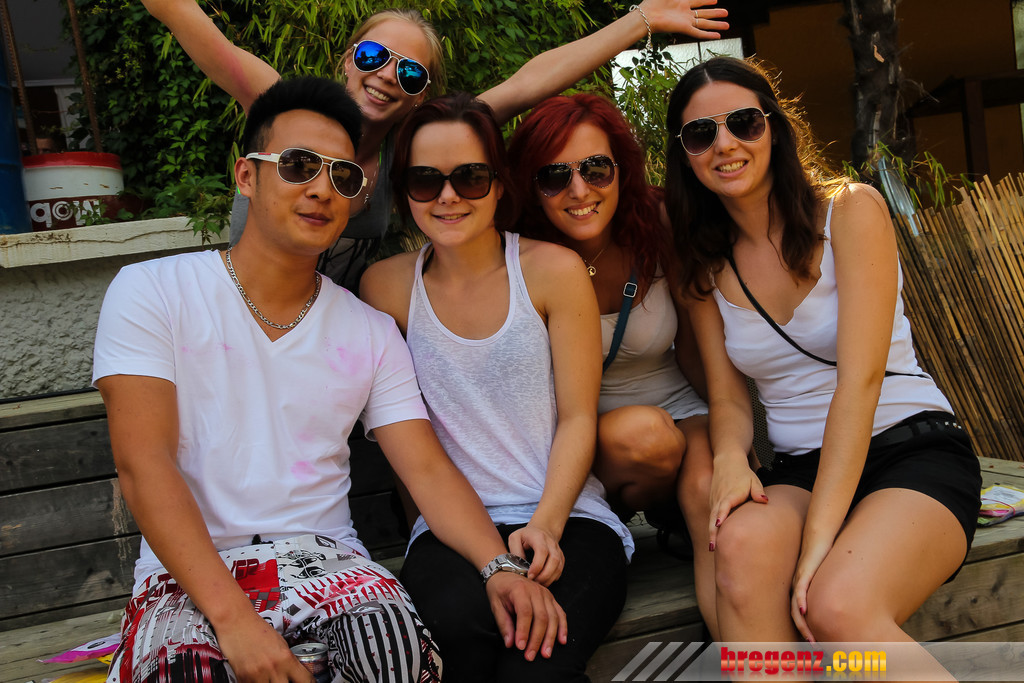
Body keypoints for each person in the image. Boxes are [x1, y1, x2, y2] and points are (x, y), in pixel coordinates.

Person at [93, 76, 566, 683]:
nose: (321, 188)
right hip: (188, 574)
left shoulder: (368, 329)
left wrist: (497, 568)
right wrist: (235, 619)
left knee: (394, 659)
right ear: (247, 176)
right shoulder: (153, 292)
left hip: (331, 565)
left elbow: (426, 469)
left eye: (342, 176)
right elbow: (144, 463)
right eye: (298, 166)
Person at [664, 56, 982, 661]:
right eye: (701, 134)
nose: (725, 145)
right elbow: (728, 397)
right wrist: (730, 457)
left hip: (906, 447)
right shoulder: (703, 264)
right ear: (685, 154)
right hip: (800, 469)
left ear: (774, 127)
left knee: (835, 606)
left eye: (743, 123)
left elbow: (860, 383)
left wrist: (816, 540)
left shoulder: (850, 210)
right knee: (740, 549)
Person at [141, 0, 728, 291]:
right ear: (348, 59)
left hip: (338, 340)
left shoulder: (417, 149)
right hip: (245, 311)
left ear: (421, 96)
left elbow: (527, 84)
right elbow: (195, 27)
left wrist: (640, 19)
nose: (386, 75)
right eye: (374, 56)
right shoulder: (289, 116)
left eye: (410, 72)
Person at [360, 92, 632, 682]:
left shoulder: (552, 270)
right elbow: (409, 444)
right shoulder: (384, 289)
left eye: (470, 177)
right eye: (425, 180)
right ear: (403, 192)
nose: (448, 196)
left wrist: (547, 524)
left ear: (500, 184)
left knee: (537, 667)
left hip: (567, 517)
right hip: (451, 530)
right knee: (458, 638)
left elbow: (579, 416)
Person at [507, 93, 718, 636]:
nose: (580, 191)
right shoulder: (517, 255)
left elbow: (696, 348)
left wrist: (734, 437)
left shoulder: (658, 223)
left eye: (596, 168)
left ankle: (753, 655)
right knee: (645, 435)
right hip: (578, 439)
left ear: (621, 168)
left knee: (716, 505)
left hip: (678, 407)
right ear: (529, 185)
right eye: (554, 176)